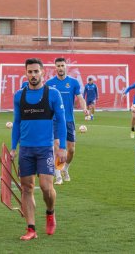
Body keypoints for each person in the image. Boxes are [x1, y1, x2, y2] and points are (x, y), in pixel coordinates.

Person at [10, 58, 67, 240]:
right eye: (30, 72)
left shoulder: (53, 94)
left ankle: (50, 212)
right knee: (27, 188)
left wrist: (62, 147)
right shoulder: (19, 95)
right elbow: (17, 123)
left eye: (36, 71)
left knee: (45, 187)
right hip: (26, 149)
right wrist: (13, 148)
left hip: (45, 149)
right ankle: (31, 229)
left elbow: (62, 121)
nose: (33, 75)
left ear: (42, 72)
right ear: (26, 73)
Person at [46, 57, 89, 185]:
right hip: (54, 120)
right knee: (57, 147)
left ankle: (65, 168)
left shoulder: (74, 82)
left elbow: (80, 98)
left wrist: (85, 108)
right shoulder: (49, 84)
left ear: (66, 66)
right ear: (55, 67)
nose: (60, 68)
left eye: (62, 65)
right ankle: (58, 174)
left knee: (71, 150)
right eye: (58, 66)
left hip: (69, 120)